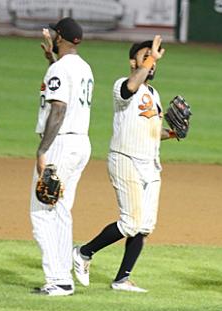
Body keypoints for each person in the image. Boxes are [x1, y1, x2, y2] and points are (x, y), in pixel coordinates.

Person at [72, 36, 178, 293]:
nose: (151, 62)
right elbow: (129, 89)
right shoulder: (123, 85)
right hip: (125, 159)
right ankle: (83, 252)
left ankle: (122, 279)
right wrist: (152, 58)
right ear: (133, 61)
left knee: (144, 226)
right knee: (130, 222)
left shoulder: (154, 94)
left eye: (152, 58)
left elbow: (151, 129)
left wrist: (172, 133)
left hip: (151, 166)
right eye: (145, 56)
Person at [30, 17, 94, 296]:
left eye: (55, 34)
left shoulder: (60, 68)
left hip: (60, 144)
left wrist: (43, 150)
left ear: (61, 38)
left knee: (42, 212)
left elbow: (58, 108)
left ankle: (57, 280)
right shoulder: (83, 67)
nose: (52, 36)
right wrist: (51, 60)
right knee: (60, 209)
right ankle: (62, 276)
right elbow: (64, 88)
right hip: (80, 143)